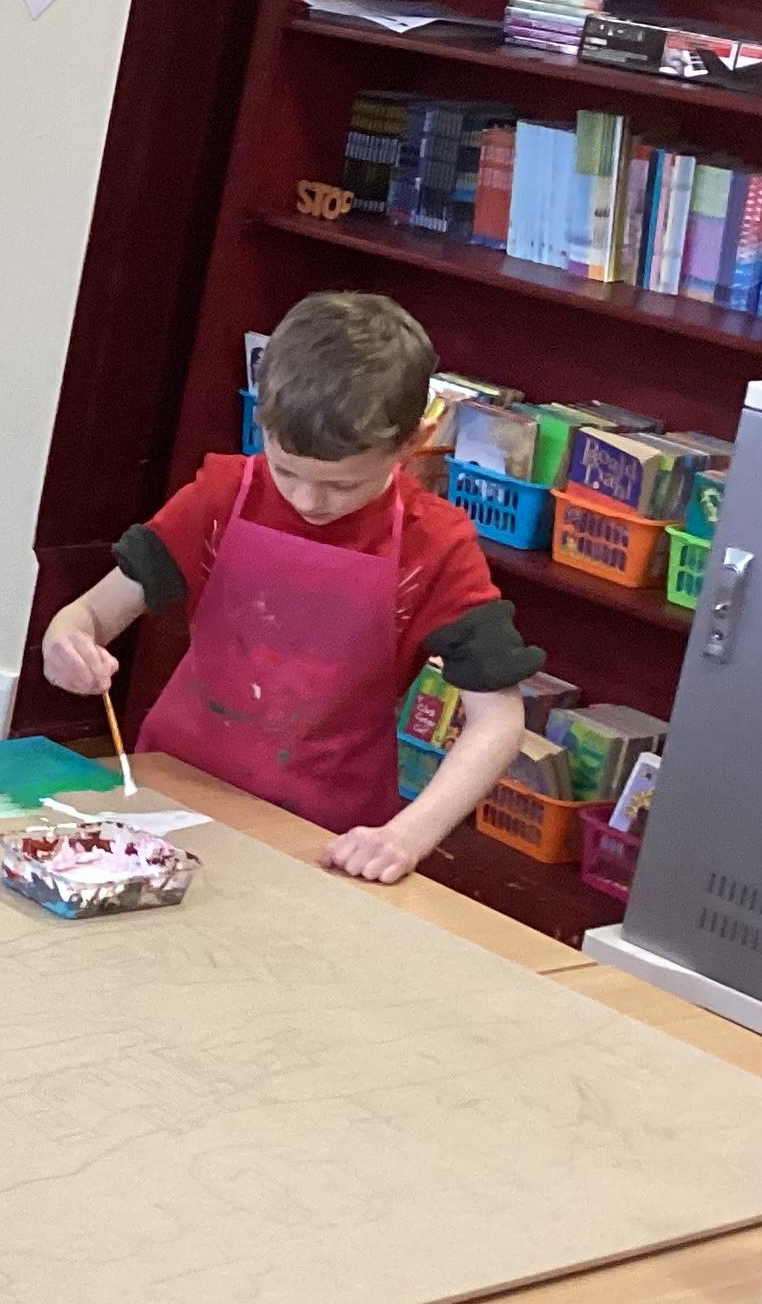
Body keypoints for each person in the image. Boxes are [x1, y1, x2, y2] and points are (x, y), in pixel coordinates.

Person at [38, 290, 538, 881]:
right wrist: (66, 645)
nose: (308, 500)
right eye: (286, 470)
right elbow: (89, 617)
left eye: (343, 485)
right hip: (173, 793)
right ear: (262, 419)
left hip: (325, 834)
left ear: (414, 442)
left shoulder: (435, 546)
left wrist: (407, 836)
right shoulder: (222, 498)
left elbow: (498, 720)